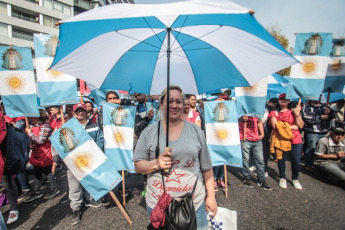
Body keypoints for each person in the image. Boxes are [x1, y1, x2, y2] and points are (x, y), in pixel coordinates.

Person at [133, 86, 217, 230]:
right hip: (159, 205)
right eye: (169, 101)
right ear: (161, 104)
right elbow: (138, 166)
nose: (174, 105)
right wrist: (156, 164)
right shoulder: (149, 132)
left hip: (195, 203)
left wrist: (211, 197)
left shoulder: (196, 130)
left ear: (183, 104)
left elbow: (206, 167)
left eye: (178, 101)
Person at [68, 103, 105, 225]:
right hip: (74, 162)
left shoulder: (94, 126)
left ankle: (90, 199)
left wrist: (94, 152)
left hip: (89, 160)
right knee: (75, 185)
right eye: (77, 111)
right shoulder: (68, 127)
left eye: (82, 110)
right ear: (73, 113)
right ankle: (75, 208)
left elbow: (100, 139)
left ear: (86, 112)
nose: (80, 112)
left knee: (90, 181)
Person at [269, 93, 304, 190]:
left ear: (289, 101)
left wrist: (297, 115)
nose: (283, 100)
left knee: (296, 161)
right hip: (281, 140)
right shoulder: (274, 112)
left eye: (285, 99)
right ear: (279, 101)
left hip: (295, 139)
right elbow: (275, 126)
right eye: (281, 99)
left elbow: (300, 126)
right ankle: (282, 177)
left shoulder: (294, 112)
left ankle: (295, 178)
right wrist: (291, 126)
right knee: (281, 159)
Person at [24, 110, 60, 202]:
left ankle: (54, 189)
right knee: (37, 171)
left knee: (47, 171)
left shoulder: (45, 126)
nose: (30, 117)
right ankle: (37, 192)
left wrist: (30, 133)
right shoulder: (31, 126)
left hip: (45, 152)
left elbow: (40, 140)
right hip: (36, 153)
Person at [239, 115, 271, 190]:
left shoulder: (256, 110)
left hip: (257, 139)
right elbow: (236, 121)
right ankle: (246, 178)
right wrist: (241, 118)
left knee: (260, 160)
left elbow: (259, 122)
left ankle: (261, 180)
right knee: (245, 160)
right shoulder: (242, 110)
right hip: (245, 138)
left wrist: (262, 133)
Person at [302, 99, 331, 172]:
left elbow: (331, 117)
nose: (318, 98)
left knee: (323, 148)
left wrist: (330, 113)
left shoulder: (325, 106)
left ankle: (322, 165)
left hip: (325, 131)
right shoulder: (307, 107)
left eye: (320, 96)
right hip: (313, 131)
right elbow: (307, 118)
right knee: (312, 147)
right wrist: (320, 117)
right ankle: (309, 165)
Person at [314, 121, 345, 187]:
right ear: (331, 134)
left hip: (338, 163)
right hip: (324, 163)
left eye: (342, 134)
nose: (340, 136)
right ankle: (325, 175)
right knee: (343, 176)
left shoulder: (343, 142)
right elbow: (318, 155)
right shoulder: (323, 141)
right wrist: (335, 156)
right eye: (337, 134)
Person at [212, 94, 229, 191]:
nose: (221, 101)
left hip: (225, 135)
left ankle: (221, 178)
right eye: (219, 99)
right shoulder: (213, 108)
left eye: (223, 100)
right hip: (214, 135)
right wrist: (214, 104)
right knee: (215, 159)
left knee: (223, 159)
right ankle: (214, 178)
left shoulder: (228, 110)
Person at [261, 97, 278, 174]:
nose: (275, 105)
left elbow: (262, 120)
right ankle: (262, 167)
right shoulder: (265, 108)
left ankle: (264, 169)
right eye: (274, 104)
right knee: (263, 150)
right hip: (265, 131)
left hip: (268, 131)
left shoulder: (272, 110)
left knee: (265, 150)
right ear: (270, 102)